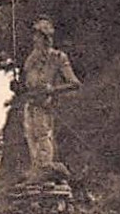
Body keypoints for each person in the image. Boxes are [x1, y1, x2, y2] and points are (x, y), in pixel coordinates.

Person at [19, 17, 80, 180]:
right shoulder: (31, 60)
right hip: (30, 105)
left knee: (43, 137)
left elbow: (74, 83)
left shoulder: (58, 58)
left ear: (46, 38)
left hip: (45, 106)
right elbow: (26, 85)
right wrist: (18, 88)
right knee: (31, 139)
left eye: (38, 36)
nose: (35, 40)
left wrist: (52, 90)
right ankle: (38, 172)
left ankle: (46, 170)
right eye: (35, 36)